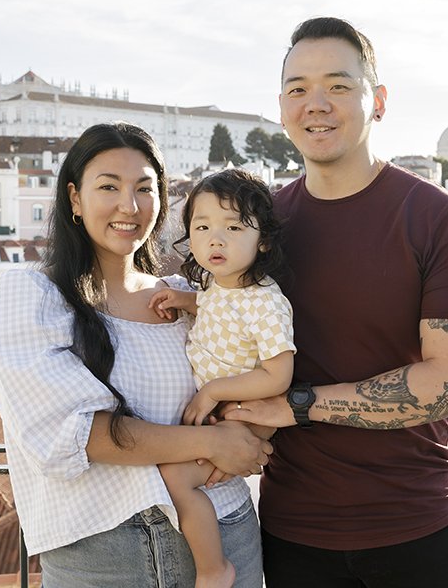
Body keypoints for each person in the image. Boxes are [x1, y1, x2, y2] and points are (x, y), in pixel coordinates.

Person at [225, 16, 448, 587]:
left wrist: (299, 405)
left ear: (377, 100)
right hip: (291, 538)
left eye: (338, 86)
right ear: (281, 109)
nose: (316, 104)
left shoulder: (438, 218)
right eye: (298, 89)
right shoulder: (260, 228)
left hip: (420, 532)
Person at [0, 122, 273, 588]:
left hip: (224, 535)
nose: (129, 205)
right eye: (109, 187)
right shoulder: (31, 296)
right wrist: (212, 444)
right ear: (74, 199)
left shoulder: (188, 297)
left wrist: (246, 432)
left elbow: (261, 367)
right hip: (102, 558)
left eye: (144, 188)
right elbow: (74, 434)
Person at [148, 169, 295, 588]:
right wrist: (186, 300)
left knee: (176, 477)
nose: (216, 239)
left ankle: (215, 569)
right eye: (203, 226)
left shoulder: (265, 301)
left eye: (233, 227)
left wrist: (213, 391)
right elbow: (218, 311)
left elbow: (279, 373)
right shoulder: (220, 285)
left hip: (246, 413)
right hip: (228, 408)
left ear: (262, 240)